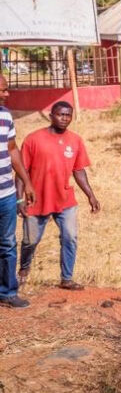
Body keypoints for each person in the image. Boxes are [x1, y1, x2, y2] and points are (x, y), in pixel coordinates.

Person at [17, 101, 99, 289]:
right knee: (30, 241)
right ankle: (24, 269)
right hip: (37, 200)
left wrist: (91, 196)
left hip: (65, 201)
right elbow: (21, 172)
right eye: (61, 114)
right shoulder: (33, 139)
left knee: (70, 237)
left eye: (68, 115)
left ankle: (66, 278)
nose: (64, 118)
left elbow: (79, 170)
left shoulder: (75, 140)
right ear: (51, 116)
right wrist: (20, 199)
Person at [0, 75, 35, 308]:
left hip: (6, 194)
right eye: (3, 90)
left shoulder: (5, 116)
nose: (7, 94)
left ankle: (7, 292)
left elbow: (12, 150)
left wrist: (27, 182)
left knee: (7, 243)